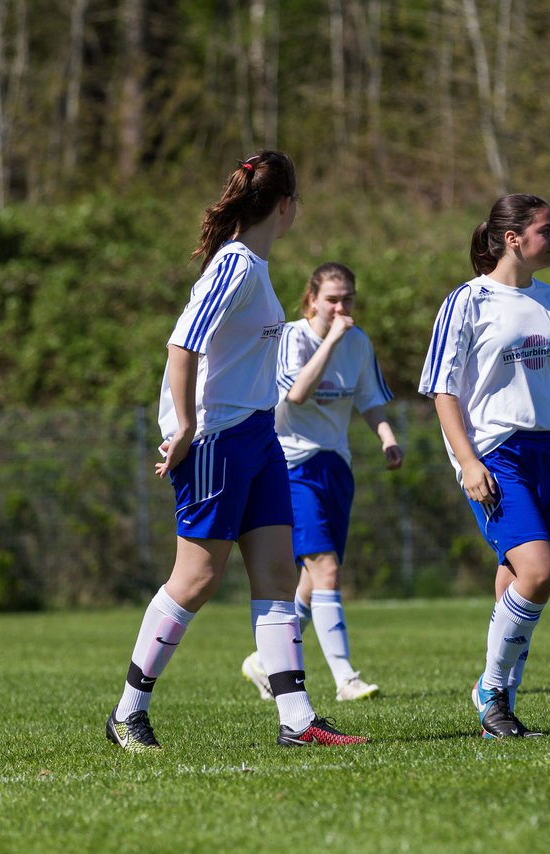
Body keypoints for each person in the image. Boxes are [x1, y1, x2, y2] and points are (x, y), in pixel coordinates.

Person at [104, 151, 368, 752]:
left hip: (257, 435)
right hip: (218, 439)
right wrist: (188, 425)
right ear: (285, 205)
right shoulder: (237, 265)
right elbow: (181, 345)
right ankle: (127, 713)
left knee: (277, 571)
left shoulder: (256, 266)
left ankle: (297, 721)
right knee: (196, 578)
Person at [417, 193, 550, 739]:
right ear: (513, 239)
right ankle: (490, 690)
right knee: (539, 571)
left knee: (513, 582)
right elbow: (442, 390)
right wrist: (468, 460)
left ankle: (499, 709)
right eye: (547, 230)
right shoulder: (467, 301)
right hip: (497, 454)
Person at [240, 261, 403, 703]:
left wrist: (387, 438)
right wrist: (330, 338)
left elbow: (370, 398)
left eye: (347, 299)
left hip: (336, 465)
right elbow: (296, 393)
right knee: (324, 567)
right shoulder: (292, 338)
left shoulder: (359, 342)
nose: (340, 307)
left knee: (313, 580)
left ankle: (262, 660)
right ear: (312, 299)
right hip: (291, 465)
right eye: (331, 299)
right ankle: (345, 678)